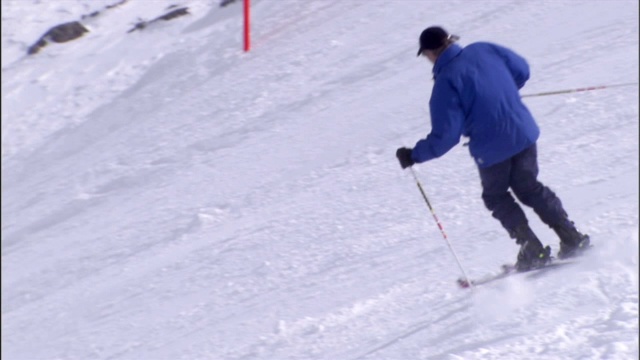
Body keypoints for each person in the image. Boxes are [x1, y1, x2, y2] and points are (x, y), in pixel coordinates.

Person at [396, 26, 590, 271]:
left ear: (431, 53)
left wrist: (414, 155)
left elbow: (446, 136)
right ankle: (571, 237)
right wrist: (501, 95)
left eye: (426, 55)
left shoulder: (446, 81)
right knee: (529, 187)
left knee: (496, 196)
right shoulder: (483, 49)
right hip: (523, 131)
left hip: (491, 147)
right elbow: (522, 70)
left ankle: (533, 250)